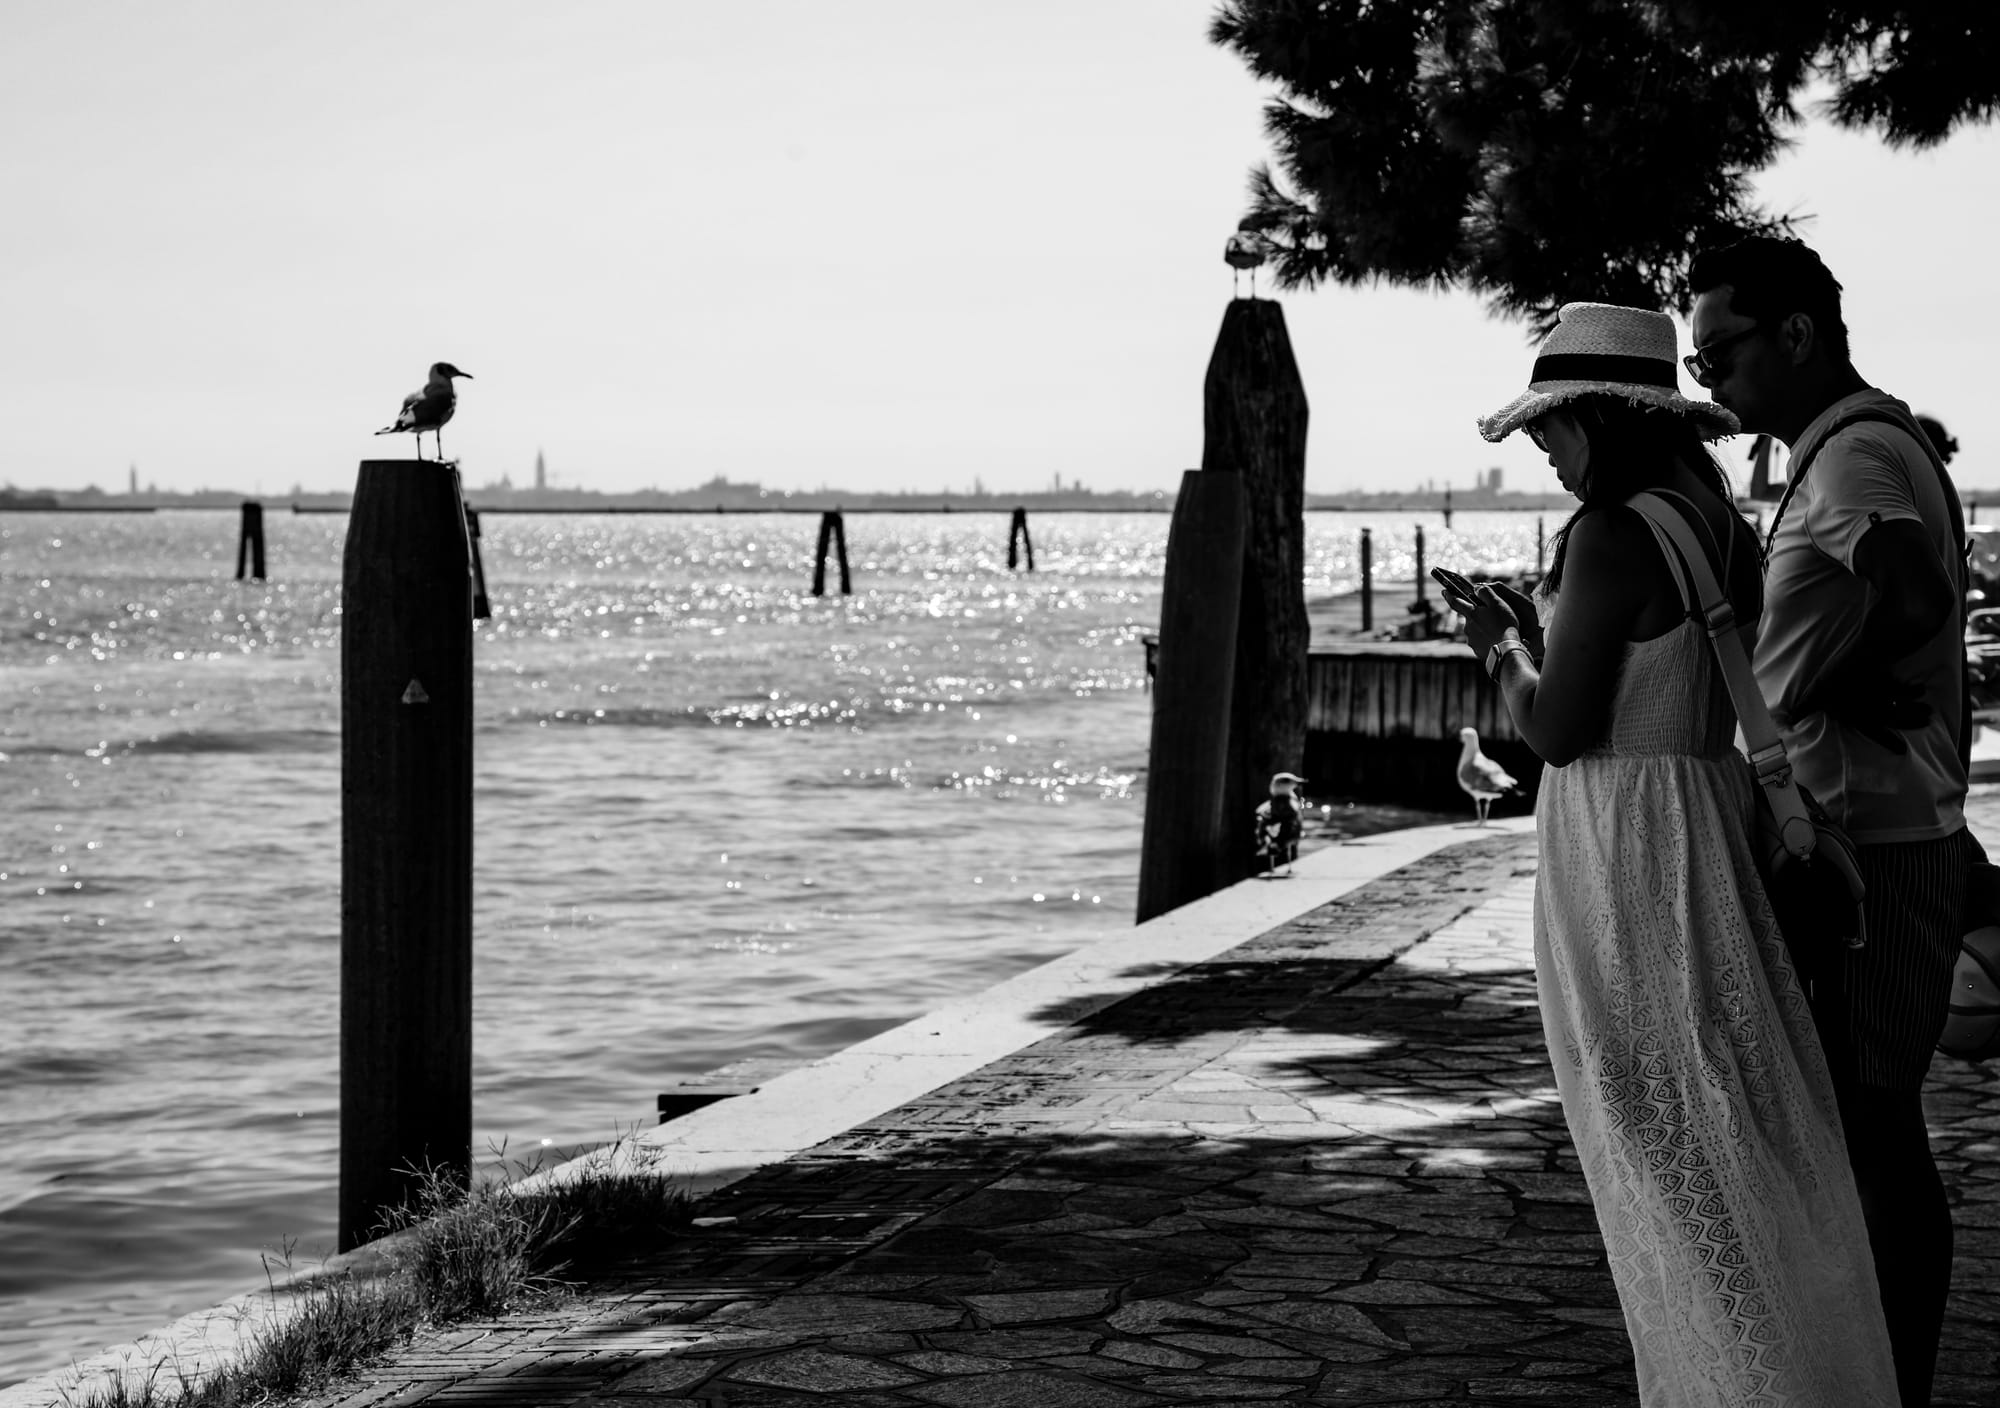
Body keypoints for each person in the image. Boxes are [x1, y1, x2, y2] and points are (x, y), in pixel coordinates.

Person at [1442, 301, 1898, 1404]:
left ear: (1603, 414)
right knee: (1727, 1115)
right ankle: (1776, 1365)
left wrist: (1498, 646)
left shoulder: (1608, 532)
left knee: (1650, 1134)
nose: (1544, 449)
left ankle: (1717, 1374)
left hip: (1622, 841)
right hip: (1702, 817)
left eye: (1552, 424)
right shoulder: (1714, 516)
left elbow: (1556, 731)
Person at [1688, 236, 1973, 1407]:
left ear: (1794, 333)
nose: (1711, 381)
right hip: (1874, 832)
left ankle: (1892, 1387)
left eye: (1722, 353)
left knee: (1875, 1132)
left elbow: (1913, 593)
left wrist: (1808, 686)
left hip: (1874, 844)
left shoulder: (1850, 454)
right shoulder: (1858, 445)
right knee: (1861, 1127)